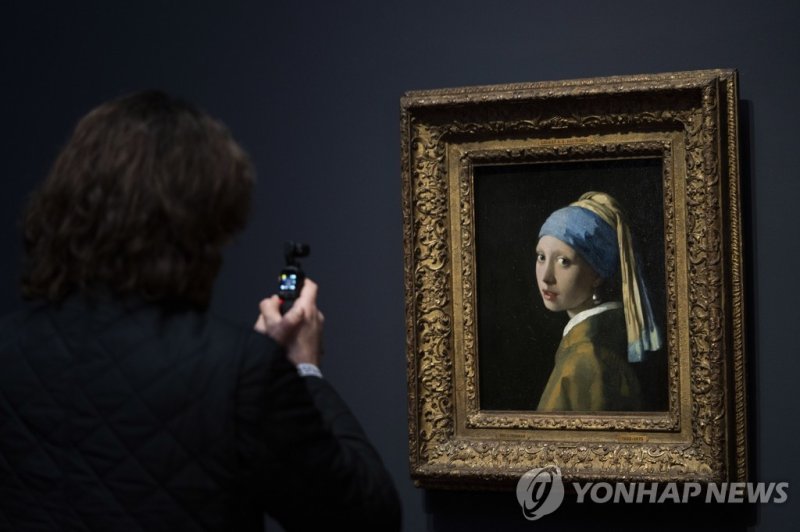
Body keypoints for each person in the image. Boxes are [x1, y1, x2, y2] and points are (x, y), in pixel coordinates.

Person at [0, 91, 401, 530]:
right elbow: (367, 518)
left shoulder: (9, 346)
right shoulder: (239, 371)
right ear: (200, 227)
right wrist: (304, 369)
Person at [534, 191, 662, 412]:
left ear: (598, 274)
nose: (546, 276)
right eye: (541, 257)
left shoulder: (585, 358)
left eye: (564, 261)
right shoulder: (602, 340)